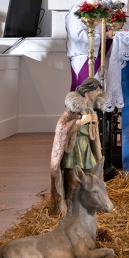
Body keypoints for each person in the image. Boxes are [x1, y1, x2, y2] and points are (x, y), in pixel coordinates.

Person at [49, 77, 104, 215]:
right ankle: (71, 210)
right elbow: (61, 127)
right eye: (96, 90)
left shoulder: (90, 109)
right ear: (88, 91)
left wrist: (93, 124)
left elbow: (91, 135)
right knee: (73, 181)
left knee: (89, 177)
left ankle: (87, 206)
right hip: (73, 150)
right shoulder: (73, 108)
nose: (97, 93)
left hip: (86, 149)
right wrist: (80, 123)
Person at [65, 0, 119, 91]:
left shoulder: (99, 10)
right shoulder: (78, 9)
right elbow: (77, 35)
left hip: (100, 58)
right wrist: (105, 36)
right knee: (85, 99)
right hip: (84, 59)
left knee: (99, 100)